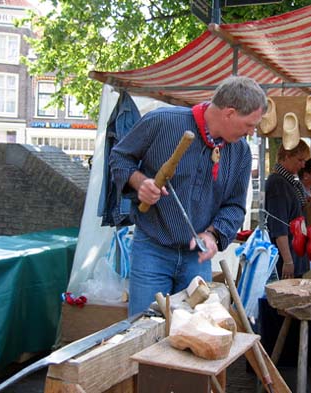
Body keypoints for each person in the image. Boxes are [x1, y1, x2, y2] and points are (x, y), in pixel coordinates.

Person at [109, 75, 267, 315]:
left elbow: (234, 206)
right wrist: (140, 182)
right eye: (249, 124)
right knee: (145, 330)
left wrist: (213, 234)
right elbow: (119, 157)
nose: (252, 132)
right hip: (153, 247)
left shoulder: (241, 153)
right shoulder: (162, 122)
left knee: (194, 329)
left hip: (197, 257)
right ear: (229, 113)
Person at [265, 140, 311, 279]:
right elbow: (279, 227)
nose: (303, 165)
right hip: (286, 261)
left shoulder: (289, 183)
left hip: (296, 256)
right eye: (300, 160)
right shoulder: (278, 184)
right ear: (286, 156)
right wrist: (288, 260)